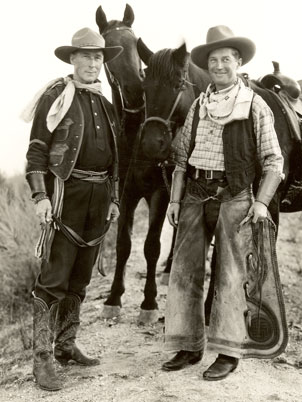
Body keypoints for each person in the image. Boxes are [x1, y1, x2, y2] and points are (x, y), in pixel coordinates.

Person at [163, 25, 284, 381]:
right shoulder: (200, 106)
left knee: (231, 275)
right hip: (195, 195)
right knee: (184, 271)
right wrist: (174, 199)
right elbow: (182, 157)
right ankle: (188, 345)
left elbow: (274, 162)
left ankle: (228, 352)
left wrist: (261, 203)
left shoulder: (256, 105)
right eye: (213, 60)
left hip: (235, 197)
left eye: (226, 59)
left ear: (238, 62)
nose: (219, 66)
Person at [22, 28, 122, 391]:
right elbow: (36, 152)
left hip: (99, 199)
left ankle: (65, 346)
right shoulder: (55, 96)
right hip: (65, 196)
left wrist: (114, 199)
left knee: (80, 278)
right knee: (53, 281)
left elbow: (116, 160)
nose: (93, 63)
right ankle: (42, 360)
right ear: (72, 59)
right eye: (86, 56)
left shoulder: (106, 105)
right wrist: (40, 197)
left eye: (98, 57)